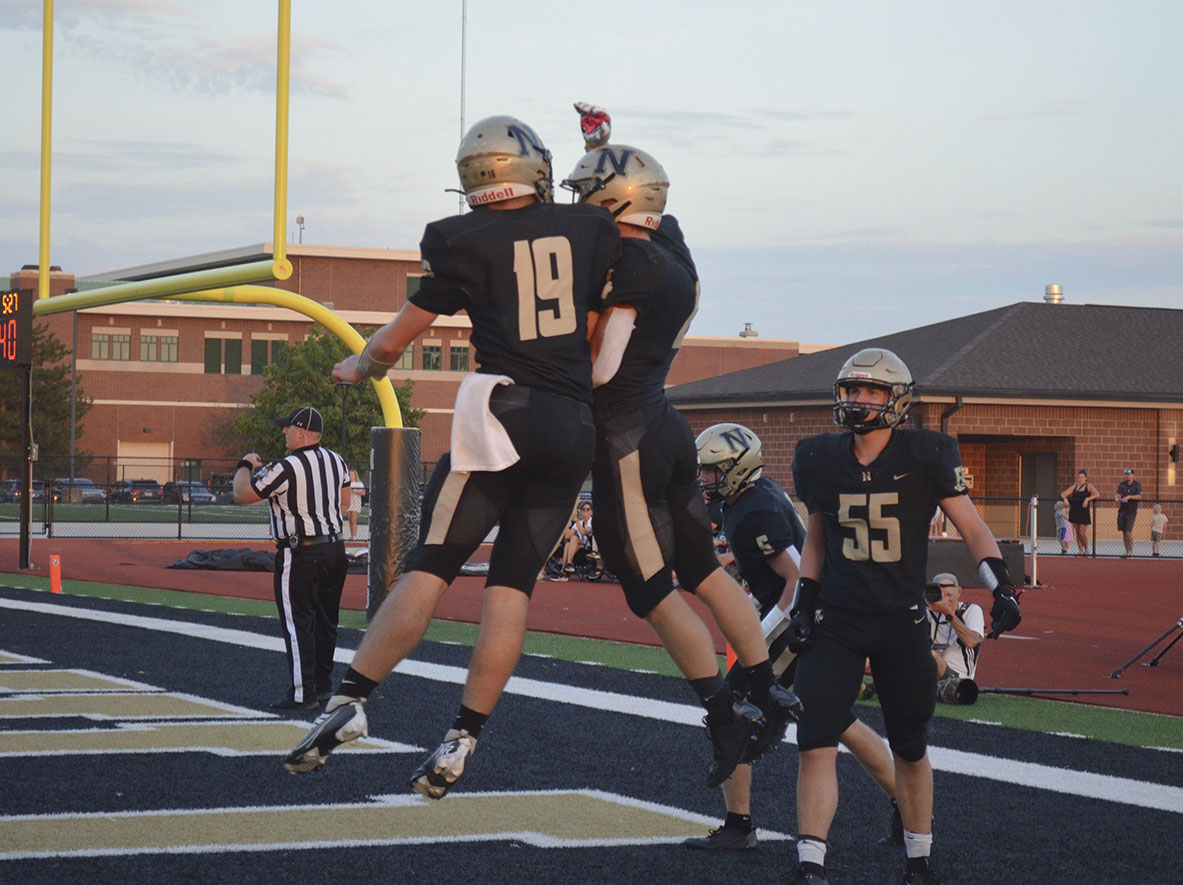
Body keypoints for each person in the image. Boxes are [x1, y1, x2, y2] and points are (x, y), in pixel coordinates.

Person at [284, 115, 621, 798]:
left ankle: (349, 698)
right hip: (570, 423)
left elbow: (393, 342)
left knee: (430, 569)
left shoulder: (457, 240)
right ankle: (464, 733)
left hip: (501, 412)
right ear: (531, 167)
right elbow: (595, 235)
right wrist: (596, 145)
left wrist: (360, 364)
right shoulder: (591, 229)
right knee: (510, 590)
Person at [563, 123, 801, 792]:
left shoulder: (627, 270)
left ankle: (725, 713)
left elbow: (604, 368)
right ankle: (766, 684)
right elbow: (648, 215)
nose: (579, 203)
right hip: (667, 422)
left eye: (587, 192)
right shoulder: (673, 250)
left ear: (614, 200)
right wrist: (605, 141)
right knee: (701, 566)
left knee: (651, 589)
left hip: (625, 432)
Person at [788, 347, 1023, 885]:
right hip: (838, 617)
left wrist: (1001, 585)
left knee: (911, 745)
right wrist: (803, 604)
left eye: (871, 391)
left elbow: (971, 527)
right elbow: (817, 540)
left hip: (901, 619)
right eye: (852, 389)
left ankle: (918, 857)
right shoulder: (820, 456)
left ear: (897, 400)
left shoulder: (926, 453)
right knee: (815, 739)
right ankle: (810, 863)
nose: (858, 400)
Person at [687, 423, 899, 852]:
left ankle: (739, 826)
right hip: (811, 616)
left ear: (735, 468)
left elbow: (796, 576)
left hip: (799, 618)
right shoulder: (752, 495)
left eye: (711, 471)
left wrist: (759, 640)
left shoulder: (755, 509)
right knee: (837, 720)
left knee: (733, 712)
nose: (705, 479)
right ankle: (909, 805)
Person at [234, 406, 350, 711]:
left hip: (301, 551)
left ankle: (302, 693)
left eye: (288, 428)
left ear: (301, 432)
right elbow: (346, 501)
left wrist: (244, 465)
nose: (284, 432)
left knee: (298, 622)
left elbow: (243, 494)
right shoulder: (337, 460)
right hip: (336, 548)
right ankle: (323, 686)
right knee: (326, 621)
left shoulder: (286, 467)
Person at [924, 572, 984, 705]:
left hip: (957, 679)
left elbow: (971, 641)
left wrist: (949, 613)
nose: (944, 600)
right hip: (929, 672)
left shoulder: (971, 610)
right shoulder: (928, 613)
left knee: (928, 655)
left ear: (959, 592)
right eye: (940, 596)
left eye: (949, 595)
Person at [553, 501, 596, 581]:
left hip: (589, 550)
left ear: (591, 511)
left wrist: (576, 520)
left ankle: (569, 565)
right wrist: (566, 523)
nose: (585, 511)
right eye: (583, 509)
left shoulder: (592, 522)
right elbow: (567, 535)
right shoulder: (578, 523)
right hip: (579, 548)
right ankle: (564, 572)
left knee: (574, 538)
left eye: (587, 509)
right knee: (568, 544)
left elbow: (584, 532)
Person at [1061, 470, 1099, 556]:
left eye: (1082, 477)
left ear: (1085, 478)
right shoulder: (1075, 486)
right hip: (1074, 511)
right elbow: (1063, 493)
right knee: (1077, 531)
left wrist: (1088, 499)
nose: (1080, 479)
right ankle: (1080, 550)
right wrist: (1065, 498)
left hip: (1083, 512)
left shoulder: (1089, 486)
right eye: (1079, 477)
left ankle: (1086, 549)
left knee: (1082, 532)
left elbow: (1097, 494)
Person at [1115, 468, 1143, 558]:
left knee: (1128, 531)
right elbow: (1118, 493)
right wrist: (1116, 497)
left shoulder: (1137, 485)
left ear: (1133, 475)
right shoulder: (1122, 484)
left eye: (1129, 474)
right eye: (1126, 474)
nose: (1127, 476)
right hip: (1123, 510)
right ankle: (1127, 551)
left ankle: (1131, 551)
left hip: (1131, 511)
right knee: (1123, 532)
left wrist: (1129, 497)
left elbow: (1139, 496)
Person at [344, 469, 364, 540]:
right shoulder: (347, 484)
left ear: (355, 475)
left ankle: (355, 536)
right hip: (349, 503)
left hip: (356, 503)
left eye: (352, 474)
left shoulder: (359, 484)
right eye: (350, 474)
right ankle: (352, 535)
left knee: (353, 520)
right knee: (350, 520)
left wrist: (354, 491)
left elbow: (363, 493)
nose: (351, 476)